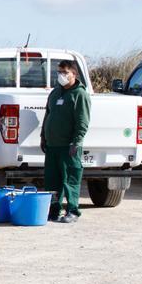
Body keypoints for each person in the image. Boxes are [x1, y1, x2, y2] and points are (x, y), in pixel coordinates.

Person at [41, 60, 91, 224]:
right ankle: (54, 209)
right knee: (52, 180)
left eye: (65, 72)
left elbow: (82, 121)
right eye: (59, 72)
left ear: (74, 74)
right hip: (52, 145)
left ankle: (72, 210)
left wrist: (76, 142)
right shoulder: (55, 92)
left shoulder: (79, 94)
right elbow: (48, 115)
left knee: (70, 179)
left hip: (68, 146)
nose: (61, 75)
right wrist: (43, 136)